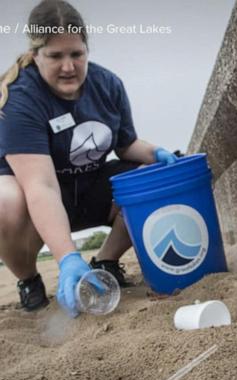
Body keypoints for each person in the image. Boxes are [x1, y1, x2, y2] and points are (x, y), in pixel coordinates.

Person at [0, 0, 178, 318]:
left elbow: (125, 145)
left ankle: (105, 261)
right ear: (35, 54)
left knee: (149, 175)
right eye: (56, 56)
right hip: (38, 197)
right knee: (4, 201)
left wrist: (157, 154)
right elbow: (41, 186)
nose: (68, 67)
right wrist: (68, 257)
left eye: (76, 54)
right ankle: (29, 280)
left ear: (86, 49)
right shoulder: (20, 97)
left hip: (91, 183)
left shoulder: (108, 85)